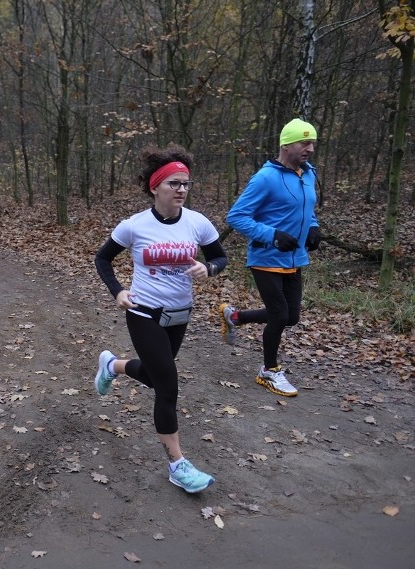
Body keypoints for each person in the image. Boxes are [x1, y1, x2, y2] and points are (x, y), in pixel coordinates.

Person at [93, 144, 228, 494]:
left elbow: (220, 257)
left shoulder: (198, 223)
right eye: (174, 183)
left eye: (185, 183)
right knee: (167, 386)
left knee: (156, 379)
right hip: (143, 314)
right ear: (155, 187)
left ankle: (113, 366)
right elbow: (103, 259)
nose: (181, 189)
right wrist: (118, 291)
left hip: (179, 315)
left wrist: (208, 267)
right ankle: (178, 465)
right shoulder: (134, 226)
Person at [219, 118, 321, 398]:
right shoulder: (265, 178)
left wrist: (313, 226)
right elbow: (236, 216)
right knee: (278, 314)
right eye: (304, 142)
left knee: (291, 317)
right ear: (286, 145)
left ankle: (236, 316)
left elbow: (307, 208)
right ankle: (269, 370)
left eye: (313, 142)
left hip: (295, 257)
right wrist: (271, 234)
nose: (310, 148)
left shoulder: (308, 173)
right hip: (266, 257)